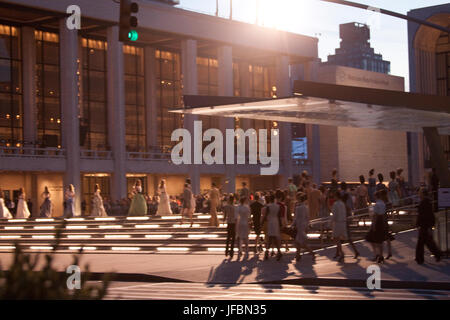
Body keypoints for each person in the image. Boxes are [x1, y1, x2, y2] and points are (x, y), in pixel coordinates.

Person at [415, 188, 441, 265]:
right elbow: (430, 215)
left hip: (424, 225)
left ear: (423, 194)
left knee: (422, 242)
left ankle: (420, 259)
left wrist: (419, 224)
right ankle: (437, 254)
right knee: (427, 241)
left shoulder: (424, 203)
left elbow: (423, 215)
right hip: (425, 225)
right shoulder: (427, 202)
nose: (418, 194)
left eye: (419, 193)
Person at [365, 191, 387, 264]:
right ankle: (380, 255)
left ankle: (377, 254)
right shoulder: (383, 204)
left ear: (376, 196)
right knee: (380, 240)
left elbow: (375, 215)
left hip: (377, 222)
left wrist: (373, 225)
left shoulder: (377, 204)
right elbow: (384, 215)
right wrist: (384, 223)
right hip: (382, 221)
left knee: (373, 239)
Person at [292, 192, 315, 262]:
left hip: (299, 225)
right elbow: (308, 217)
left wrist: (292, 225)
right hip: (304, 225)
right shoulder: (306, 207)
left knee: (300, 242)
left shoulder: (298, 208)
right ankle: (298, 255)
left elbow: (296, 218)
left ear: (299, 200)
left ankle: (311, 252)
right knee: (298, 241)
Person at [340, 182, 360, 259]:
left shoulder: (343, 195)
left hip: (343, 220)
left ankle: (341, 253)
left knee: (343, 237)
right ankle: (340, 253)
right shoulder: (348, 195)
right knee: (344, 237)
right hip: (346, 218)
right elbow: (351, 204)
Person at [263, 194, 282, 261]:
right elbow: (279, 216)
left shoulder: (268, 206)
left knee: (270, 238)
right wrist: (280, 225)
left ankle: (267, 252)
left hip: (270, 222)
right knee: (275, 237)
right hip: (276, 221)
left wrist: (262, 223)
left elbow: (266, 215)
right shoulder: (278, 206)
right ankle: (279, 252)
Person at [331, 191, 347, 263]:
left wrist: (331, 221)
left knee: (336, 238)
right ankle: (338, 252)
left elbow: (334, 214)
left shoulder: (335, 204)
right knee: (339, 238)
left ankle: (341, 253)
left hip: (337, 222)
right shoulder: (342, 204)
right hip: (343, 222)